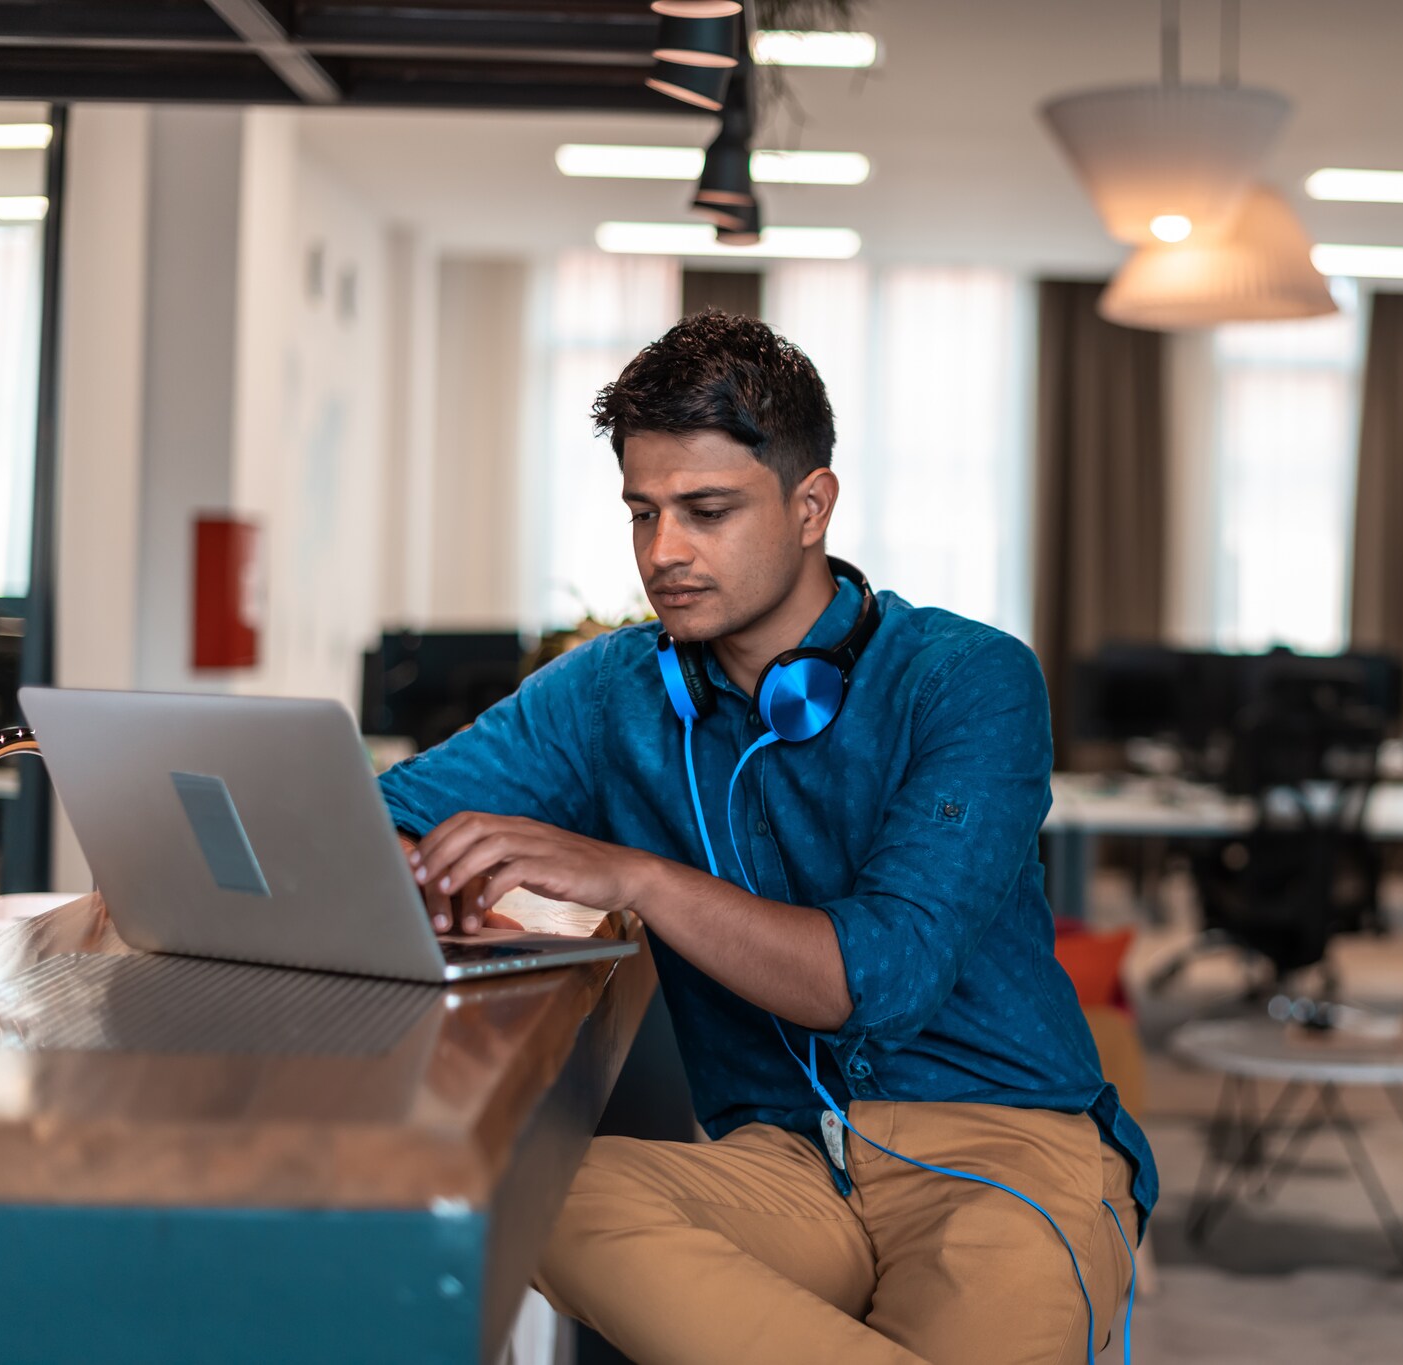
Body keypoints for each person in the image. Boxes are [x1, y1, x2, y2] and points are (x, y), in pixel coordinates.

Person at [376, 310, 1153, 1365]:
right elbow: (390, 815)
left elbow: (874, 980)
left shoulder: (967, 679)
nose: (663, 552)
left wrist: (636, 878)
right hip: (780, 1162)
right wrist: (431, 878)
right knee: (527, 1191)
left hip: (1003, 1152)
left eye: (704, 510)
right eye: (641, 513)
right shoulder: (611, 690)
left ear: (809, 506)